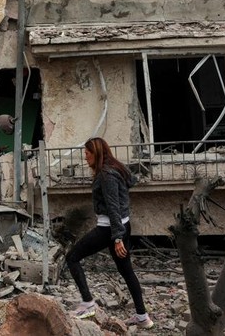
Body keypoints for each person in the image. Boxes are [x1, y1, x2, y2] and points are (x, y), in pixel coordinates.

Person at [65, 137, 154, 329]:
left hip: (109, 229)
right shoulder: (117, 168)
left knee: (72, 257)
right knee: (126, 271)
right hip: (122, 225)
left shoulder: (106, 175)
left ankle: (87, 303)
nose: (85, 158)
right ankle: (142, 317)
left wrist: (117, 237)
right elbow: (132, 181)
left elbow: (113, 206)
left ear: (96, 154)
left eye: (87, 154)